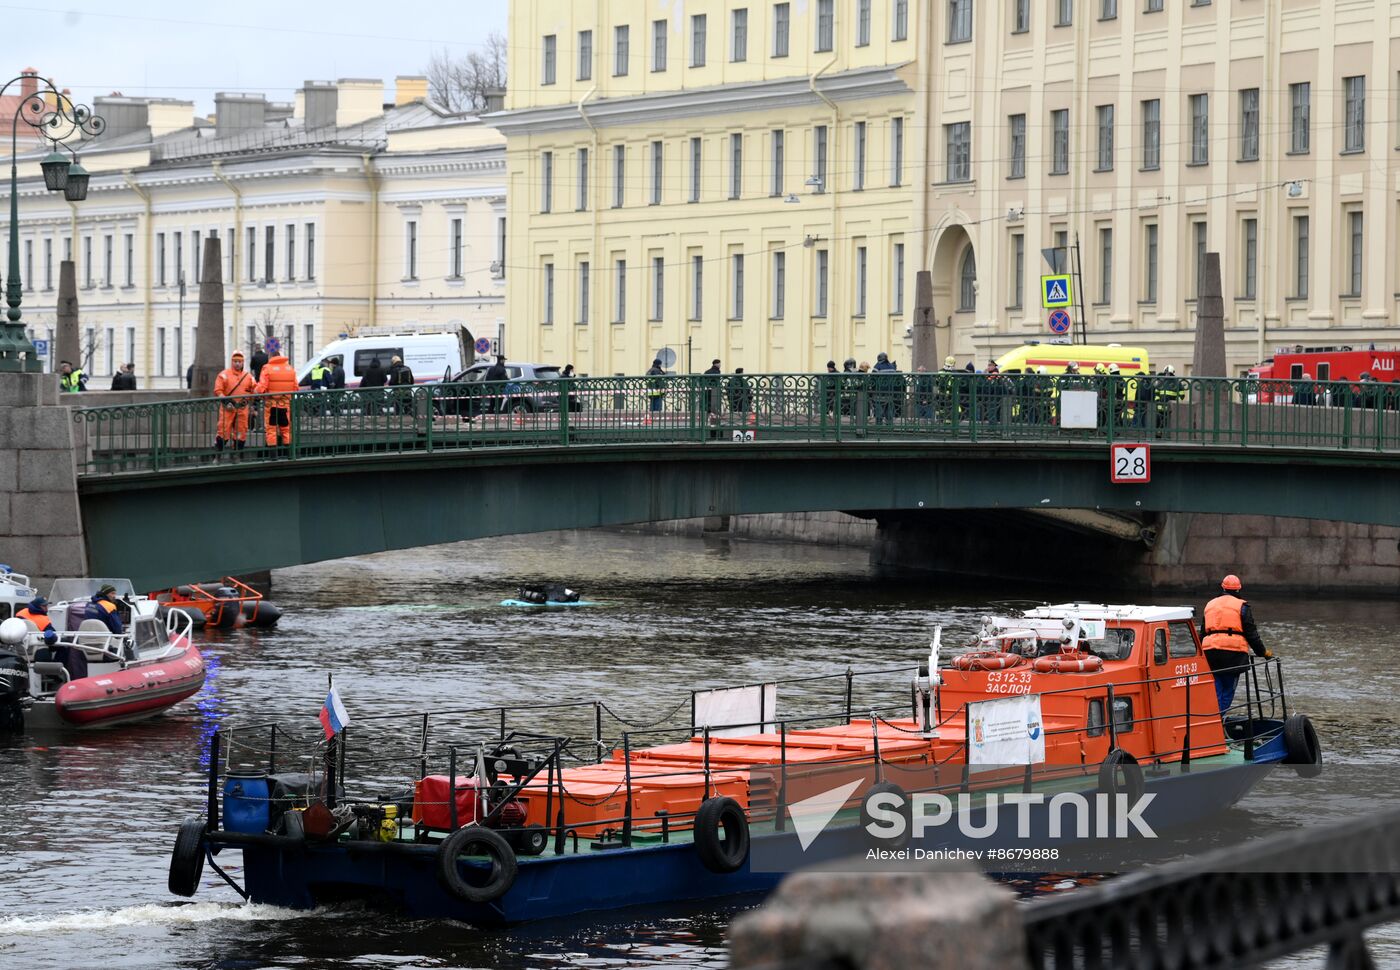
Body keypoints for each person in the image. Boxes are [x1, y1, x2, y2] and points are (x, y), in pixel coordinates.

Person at [1201, 574, 1271, 714]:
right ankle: (1219, 721)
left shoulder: (1210, 605)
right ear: (1238, 590)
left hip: (1210, 653)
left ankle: (1214, 720)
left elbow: (1202, 632)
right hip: (1233, 655)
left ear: (1223, 588)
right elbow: (1251, 634)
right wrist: (1263, 652)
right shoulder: (1242, 606)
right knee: (1228, 690)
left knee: (1216, 689)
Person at [254, 351, 299, 454]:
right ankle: (289, 453)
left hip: (271, 404)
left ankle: (273, 455)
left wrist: (256, 392)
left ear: (270, 357)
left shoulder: (267, 368)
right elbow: (296, 388)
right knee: (285, 428)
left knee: (271, 429)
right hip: (285, 404)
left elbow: (262, 387)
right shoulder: (290, 369)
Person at [214, 351, 256, 455]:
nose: (237, 364)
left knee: (241, 431)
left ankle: (237, 454)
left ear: (243, 363)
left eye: (239, 362)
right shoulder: (223, 375)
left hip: (242, 408)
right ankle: (217, 454)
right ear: (232, 362)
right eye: (235, 361)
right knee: (223, 430)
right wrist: (226, 401)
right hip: (227, 407)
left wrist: (251, 402)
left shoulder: (248, 377)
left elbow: (254, 390)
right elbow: (218, 390)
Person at [871, 352, 899, 426]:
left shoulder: (877, 366)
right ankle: (889, 425)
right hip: (890, 393)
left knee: (879, 410)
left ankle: (879, 425)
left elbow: (872, 379)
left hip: (879, 393)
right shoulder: (891, 366)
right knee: (888, 409)